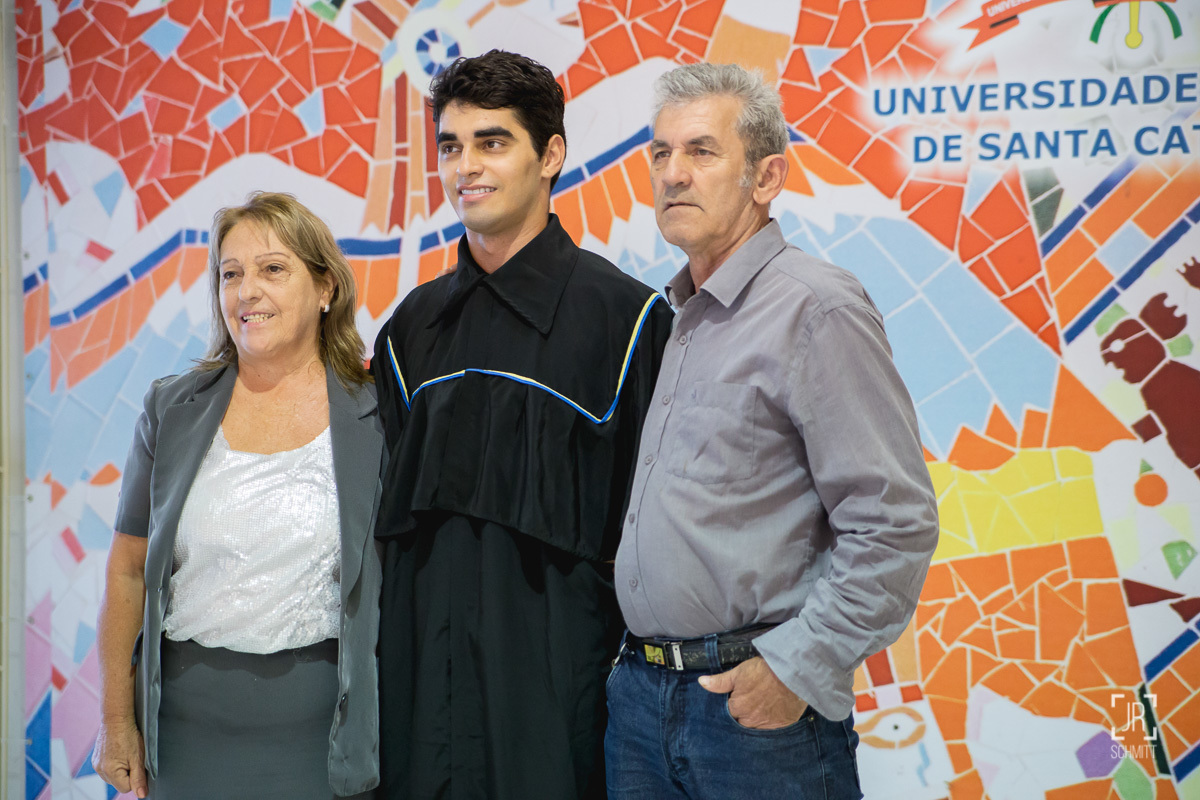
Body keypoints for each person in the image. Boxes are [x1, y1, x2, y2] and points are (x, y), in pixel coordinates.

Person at [605, 63, 940, 799]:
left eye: (701, 151)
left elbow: (895, 522)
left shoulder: (815, 309)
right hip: (641, 703)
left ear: (767, 178)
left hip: (750, 715)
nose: (672, 174)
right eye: (660, 153)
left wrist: (797, 668)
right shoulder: (680, 318)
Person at [371, 50, 673, 799]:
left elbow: (660, 536)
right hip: (421, 720)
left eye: (493, 142)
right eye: (451, 146)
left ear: (552, 155)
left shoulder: (630, 321)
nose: (466, 166)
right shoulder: (408, 333)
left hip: (563, 724)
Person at [92, 192, 384, 799]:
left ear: (325, 287)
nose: (247, 291)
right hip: (184, 739)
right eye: (230, 274)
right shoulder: (171, 408)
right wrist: (116, 722)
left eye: (272, 269)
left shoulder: (379, 415)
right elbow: (127, 571)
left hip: (322, 740)